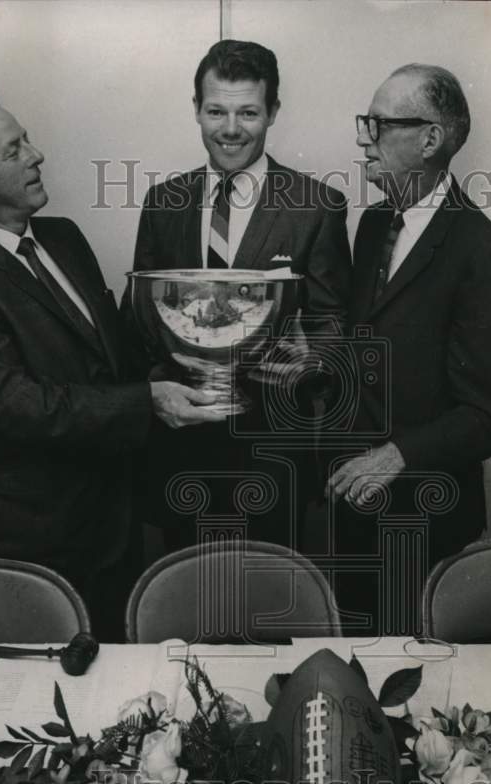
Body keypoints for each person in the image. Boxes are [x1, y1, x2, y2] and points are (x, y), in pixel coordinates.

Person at [0, 88, 223, 640]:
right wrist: (147, 401)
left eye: (26, 138)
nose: (36, 155)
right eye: (13, 151)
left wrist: (195, 364)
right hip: (38, 537)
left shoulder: (64, 237)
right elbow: (18, 405)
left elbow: (112, 357)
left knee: (124, 689)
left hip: (119, 520)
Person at [127, 39, 351, 554]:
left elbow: (332, 321)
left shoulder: (316, 206)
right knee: (181, 606)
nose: (230, 129)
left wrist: (308, 363)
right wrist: (159, 390)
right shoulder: (164, 202)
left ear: (273, 112)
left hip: (272, 452)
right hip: (180, 450)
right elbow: (139, 322)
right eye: (216, 111)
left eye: (248, 112)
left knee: (269, 610)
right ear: (197, 111)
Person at [327, 64, 491, 635]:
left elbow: (489, 417)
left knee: (415, 698)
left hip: (426, 524)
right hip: (354, 516)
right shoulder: (371, 226)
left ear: (431, 139)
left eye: (379, 124)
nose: (363, 138)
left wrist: (394, 455)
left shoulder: (483, 253)